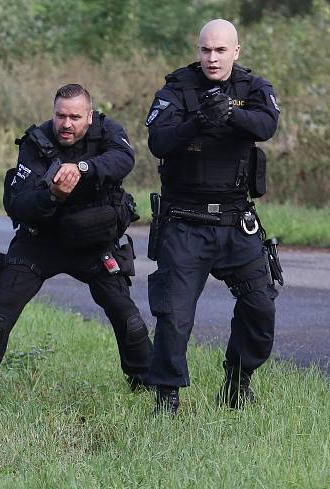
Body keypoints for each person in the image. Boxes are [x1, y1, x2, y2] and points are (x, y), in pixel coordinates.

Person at [0, 84, 152, 390]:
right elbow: (19, 204)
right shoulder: (36, 141)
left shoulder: (108, 131)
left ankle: (147, 385)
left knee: (128, 318)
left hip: (93, 242)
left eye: (75, 116)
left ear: (89, 116)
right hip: (40, 242)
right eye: (61, 115)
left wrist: (82, 168)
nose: (66, 124)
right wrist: (52, 195)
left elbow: (124, 159)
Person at [145, 19, 280, 415]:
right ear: (198, 49)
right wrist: (199, 120)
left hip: (237, 222)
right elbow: (158, 141)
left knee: (260, 305)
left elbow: (267, 125)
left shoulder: (254, 88)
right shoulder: (176, 89)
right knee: (174, 315)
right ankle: (167, 396)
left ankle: (237, 382)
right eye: (206, 50)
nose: (212, 58)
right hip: (185, 221)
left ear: (236, 51)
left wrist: (230, 114)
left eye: (221, 50)